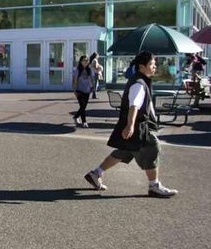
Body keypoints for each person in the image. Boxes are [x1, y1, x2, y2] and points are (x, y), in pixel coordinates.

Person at [83, 51, 178, 198]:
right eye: (152, 64)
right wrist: (131, 125)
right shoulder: (139, 84)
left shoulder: (141, 81)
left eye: (154, 64)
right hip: (139, 127)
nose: (154, 67)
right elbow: (134, 105)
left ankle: (96, 173)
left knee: (123, 151)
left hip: (136, 125)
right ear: (141, 67)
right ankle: (154, 186)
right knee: (153, 147)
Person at [72, 56, 94, 128]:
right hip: (79, 90)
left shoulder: (89, 70)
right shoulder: (78, 70)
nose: (86, 62)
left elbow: (91, 79)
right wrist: (75, 91)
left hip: (87, 90)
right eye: (84, 60)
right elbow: (75, 81)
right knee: (82, 106)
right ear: (81, 61)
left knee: (84, 107)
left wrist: (92, 87)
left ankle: (76, 116)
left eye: (87, 60)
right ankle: (84, 122)